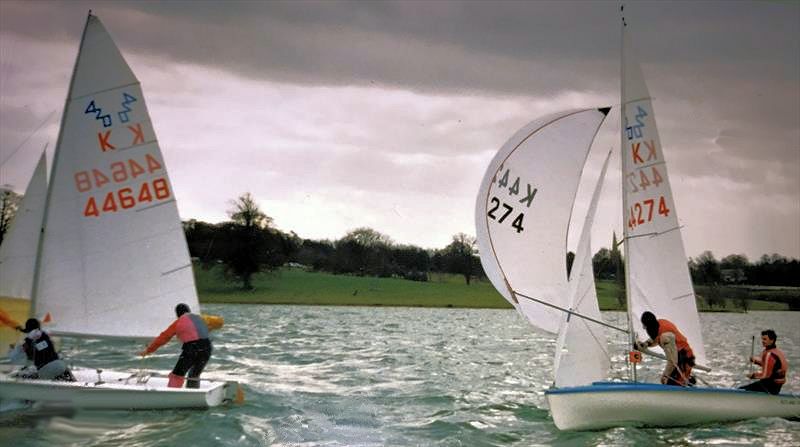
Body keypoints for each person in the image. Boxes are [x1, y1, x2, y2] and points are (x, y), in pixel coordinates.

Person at [140, 303, 213, 389]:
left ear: (178, 314)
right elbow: (217, 322)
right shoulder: (200, 318)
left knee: (177, 375)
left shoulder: (178, 322)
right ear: (189, 311)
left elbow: (164, 337)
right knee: (194, 374)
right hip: (207, 347)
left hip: (192, 348)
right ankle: (193, 394)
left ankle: (171, 393)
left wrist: (148, 350)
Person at [634, 311, 695, 386]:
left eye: (644, 326)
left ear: (648, 326)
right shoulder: (660, 323)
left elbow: (673, 361)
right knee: (670, 380)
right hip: (681, 356)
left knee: (668, 382)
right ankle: (688, 381)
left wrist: (665, 376)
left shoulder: (666, 337)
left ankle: (687, 383)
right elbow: (656, 338)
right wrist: (646, 344)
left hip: (684, 358)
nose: (644, 328)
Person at [739, 329, 788, 395]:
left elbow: (766, 375)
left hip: (769, 386)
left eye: (765, 339)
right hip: (776, 387)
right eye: (762, 339)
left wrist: (753, 375)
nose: (762, 341)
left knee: (740, 390)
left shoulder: (769, 354)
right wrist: (756, 361)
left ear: (772, 340)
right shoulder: (777, 351)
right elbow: (770, 366)